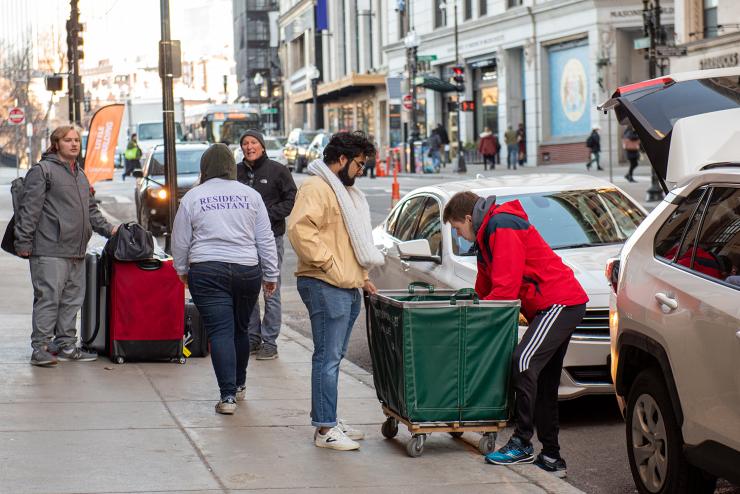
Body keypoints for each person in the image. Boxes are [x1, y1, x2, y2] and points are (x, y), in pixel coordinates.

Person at [442, 191, 588, 477]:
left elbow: (505, 291)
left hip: (560, 303)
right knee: (544, 382)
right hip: (554, 306)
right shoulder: (486, 235)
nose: (460, 236)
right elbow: (485, 287)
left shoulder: (502, 225)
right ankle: (552, 457)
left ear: (469, 219)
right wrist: (470, 305)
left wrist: (480, 311)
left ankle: (522, 442)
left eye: (458, 229)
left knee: (523, 362)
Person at [288, 131, 384, 451]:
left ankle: (328, 417)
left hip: (345, 283)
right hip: (325, 283)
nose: (362, 170)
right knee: (327, 358)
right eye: (359, 163)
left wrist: (360, 276)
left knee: (334, 356)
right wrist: (331, 266)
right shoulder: (317, 187)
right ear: (341, 159)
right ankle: (325, 429)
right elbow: (301, 231)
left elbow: (349, 241)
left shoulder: (341, 190)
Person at [173, 143, 279, 415]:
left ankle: (227, 396)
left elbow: (181, 241)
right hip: (246, 269)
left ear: (204, 167)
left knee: (220, 331)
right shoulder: (250, 195)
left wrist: (182, 270)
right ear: (232, 166)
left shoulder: (193, 197)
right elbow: (265, 238)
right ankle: (241, 384)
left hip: (207, 269)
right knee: (240, 330)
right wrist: (270, 274)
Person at [14, 125, 119, 367]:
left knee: (72, 300)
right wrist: (24, 241)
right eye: (68, 140)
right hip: (49, 249)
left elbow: (91, 210)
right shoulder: (43, 171)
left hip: (76, 250)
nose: (74, 144)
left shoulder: (80, 175)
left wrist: (110, 229)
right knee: (48, 298)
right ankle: (39, 347)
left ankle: (66, 345)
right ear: (56, 144)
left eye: (76, 140)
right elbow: (30, 210)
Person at [236, 130, 297, 361]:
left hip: (271, 238)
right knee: (248, 290)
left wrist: (267, 216)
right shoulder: (236, 172)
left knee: (271, 288)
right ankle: (252, 337)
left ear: (261, 146)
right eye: (245, 143)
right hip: (243, 241)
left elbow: (291, 200)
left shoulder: (278, 170)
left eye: (253, 142)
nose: (249, 146)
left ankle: (269, 341)